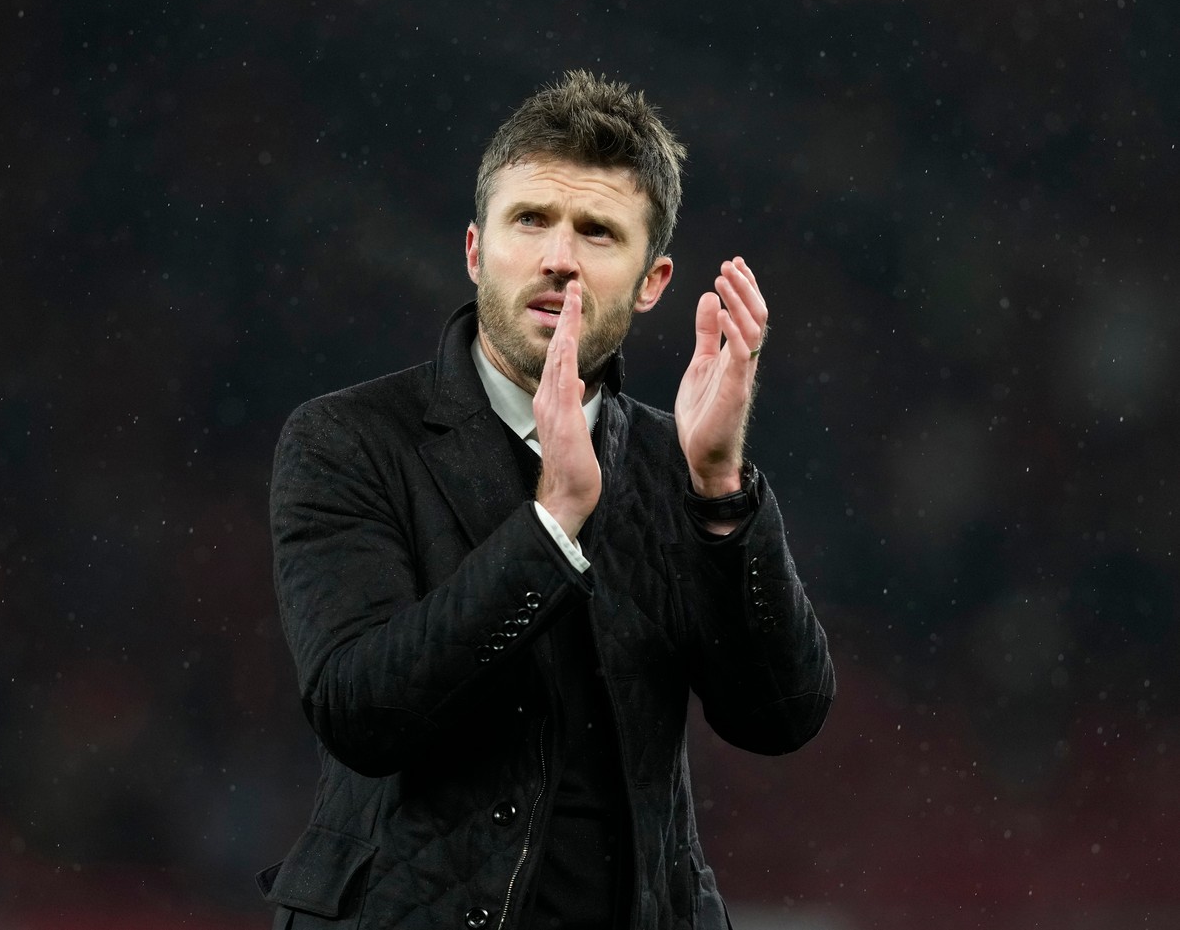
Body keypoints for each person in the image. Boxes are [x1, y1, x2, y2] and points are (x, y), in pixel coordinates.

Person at [258, 70, 835, 930]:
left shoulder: (679, 462)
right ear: (474, 250)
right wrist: (551, 524)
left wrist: (720, 489)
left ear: (651, 281)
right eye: (530, 219)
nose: (558, 256)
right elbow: (361, 712)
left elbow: (780, 718)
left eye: (597, 231)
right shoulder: (348, 439)